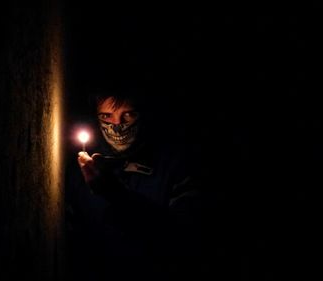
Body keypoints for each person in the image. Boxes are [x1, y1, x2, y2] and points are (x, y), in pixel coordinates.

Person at [64, 81, 223, 281]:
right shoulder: (79, 170)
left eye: (128, 114)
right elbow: (71, 240)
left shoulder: (176, 166)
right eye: (106, 116)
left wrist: (115, 194)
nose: (117, 125)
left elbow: (184, 239)